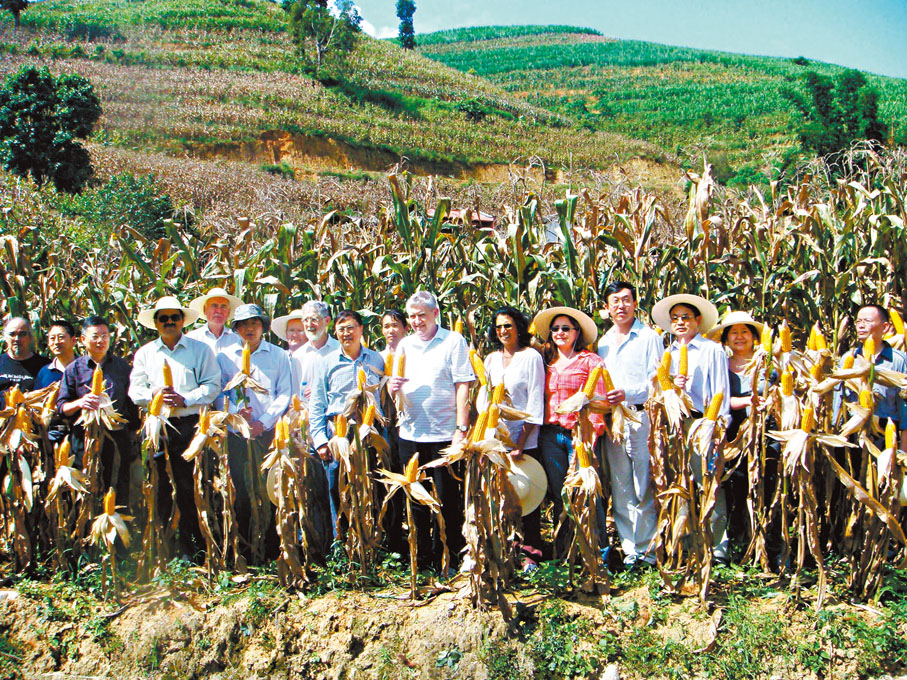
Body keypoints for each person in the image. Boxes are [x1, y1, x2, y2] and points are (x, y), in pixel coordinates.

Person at [128, 296, 221, 560]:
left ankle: (197, 546)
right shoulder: (146, 353)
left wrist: (186, 398)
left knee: (192, 485)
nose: (169, 322)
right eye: (163, 318)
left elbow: (212, 385)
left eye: (174, 317)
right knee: (162, 486)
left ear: (182, 320)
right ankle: (166, 549)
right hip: (159, 426)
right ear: (156, 323)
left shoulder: (199, 350)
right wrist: (154, 394)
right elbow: (135, 391)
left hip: (191, 426)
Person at [388, 291, 474, 568]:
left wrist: (461, 429)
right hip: (410, 433)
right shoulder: (405, 346)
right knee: (415, 498)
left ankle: (448, 555)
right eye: (412, 316)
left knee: (447, 498)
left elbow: (463, 384)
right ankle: (421, 556)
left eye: (421, 315)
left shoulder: (453, 341)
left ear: (435, 313)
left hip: (444, 433)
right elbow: (395, 389)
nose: (416, 321)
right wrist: (392, 389)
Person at [651, 293, 731, 564]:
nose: (680, 323)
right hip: (675, 424)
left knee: (709, 482)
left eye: (686, 317)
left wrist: (719, 428)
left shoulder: (712, 350)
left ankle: (717, 546)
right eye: (675, 319)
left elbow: (721, 390)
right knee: (680, 483)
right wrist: (673, 387)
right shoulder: (668, 353)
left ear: (698, 321)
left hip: (703, 422)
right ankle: (685, 541)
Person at [217, 304, 292, 560]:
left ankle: (272, 547)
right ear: (236, 329)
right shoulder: (224, 356)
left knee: (269, 490)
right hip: (237, 434)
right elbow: (220, 393)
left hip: (268, 433)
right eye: (243, 324)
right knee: (240, 490)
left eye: (255, 323)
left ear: (263, 326)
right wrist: (237, 414)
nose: (249, 328)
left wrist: (264, 421)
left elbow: (285, 393)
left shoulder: (279, 356)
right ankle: (246, 549)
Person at [596, 282, 663, 568]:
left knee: (643, 483)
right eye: (615, 301)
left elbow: (657, 382)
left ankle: (648, 551)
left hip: (640, 416)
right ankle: (630, 551)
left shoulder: (649, 337)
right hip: (613, 420)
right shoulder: (603, 342)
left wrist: (627, 393)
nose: (621, 306)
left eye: (626, 300)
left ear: (636, 304)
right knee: (621, 486)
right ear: (607, 308)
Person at [532, 305, 606, 557]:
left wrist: (590, 434)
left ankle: (598, 551)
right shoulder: (545, 361)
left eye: (566, 328)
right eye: (555, 329)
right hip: (550, 435)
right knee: (559, 493)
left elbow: (601, 401)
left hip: (579, 434)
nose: (560, 332)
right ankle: (564, 551)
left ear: (577, 332)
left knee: (585, 492)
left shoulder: (590, 361)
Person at [477, 306, 545, 565]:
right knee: (502, 496)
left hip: (523, 440)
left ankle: (531, 553)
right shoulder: (491, 359)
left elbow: (534, 402)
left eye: (508, 325)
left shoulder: (531, 357)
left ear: (519, 327)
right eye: (498, 327)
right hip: (496, 440)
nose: (503, 331)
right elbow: (485, 401)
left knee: (526, 496)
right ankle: (507, 549)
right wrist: (483, 441)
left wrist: (520, 443)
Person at [308, 309, 385, 530]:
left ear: (361, 330)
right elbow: (317, 404)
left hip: (369, 430)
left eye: (351, 327)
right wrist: (321, 440)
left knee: (371, 485)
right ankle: (342, 544)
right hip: (339, 432)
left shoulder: (376, 358)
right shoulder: (326, 363)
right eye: (341, 329)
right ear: (335, 332)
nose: (346, 333)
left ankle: (371, 539)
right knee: (338, 488)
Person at [58, 316, 139, 506]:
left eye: (105, 335)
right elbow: (62, 408)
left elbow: (131, 404)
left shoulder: (122, 368)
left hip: (117, 438)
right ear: (83, 340)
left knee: (117, 489)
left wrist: (133, 433)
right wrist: (81, 402)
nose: (101, 341)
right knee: (85, 490)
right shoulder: (74, 370)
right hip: (84, 439)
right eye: (95, 336)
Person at [834, 304, 907, 449]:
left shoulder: (899, 360)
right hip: (852, 429)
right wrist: (837, 432)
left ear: (885, 327)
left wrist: (903, 451)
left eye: (867, 321)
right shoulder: (849, 358)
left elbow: (904, 406)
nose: (861, 326)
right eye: (858, 321)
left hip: (886, 430)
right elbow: (838, 398)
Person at [292, 301, 339, 402]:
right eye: (305, 320)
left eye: (314, 319)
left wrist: (321, 392)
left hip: (335, 413)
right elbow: (295, 392)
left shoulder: (339, 350)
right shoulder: (298, 356)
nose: (309, 325)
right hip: (306, 413)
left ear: (327, 320)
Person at [186, 287, 243, 355]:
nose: (219, 311)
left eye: (223, 306)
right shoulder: (192, 339)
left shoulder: (238, 340)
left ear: (228, 312)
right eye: (214, 306)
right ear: (205, 309)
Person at [0, 316, 50, 394]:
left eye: (22, 334)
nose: (16, 339)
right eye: (12, 334)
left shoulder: (45, 366)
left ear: (30, 337)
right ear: (6, 338)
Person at [272, 308, 307, 398]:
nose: (294, 335)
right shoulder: (277, 358)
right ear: (286, 333)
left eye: (300, 331)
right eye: (291, 330)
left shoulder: (315, 359)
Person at [35, 319, 77, 390]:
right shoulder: (44, 372)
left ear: (73, 340)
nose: (56, 342)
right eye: (52, 338)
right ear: (48, 343)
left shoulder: (85, 369)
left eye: (61, 337)